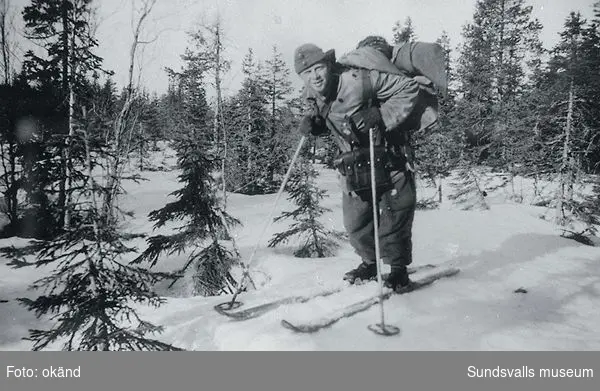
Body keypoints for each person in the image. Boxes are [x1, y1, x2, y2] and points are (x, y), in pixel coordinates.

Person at [293, 42, 420, 291]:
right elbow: (320, 115)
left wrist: (381, 114)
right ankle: (370, 264)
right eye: (307, 73)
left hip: (389, 155)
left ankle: (397, 271)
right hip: (354, 164)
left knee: (394, 216)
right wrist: (313, 124)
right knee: (356, 223)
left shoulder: (360, 80)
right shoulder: (311, 94)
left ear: (328, 65)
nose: (315, 77)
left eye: (318, 68)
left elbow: (409, 88)